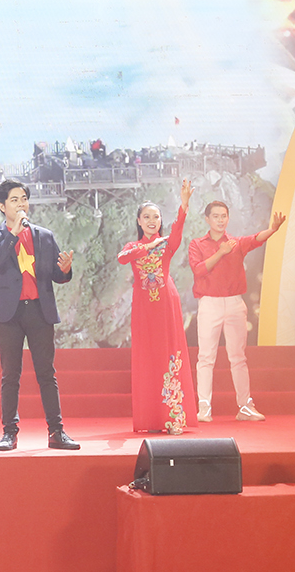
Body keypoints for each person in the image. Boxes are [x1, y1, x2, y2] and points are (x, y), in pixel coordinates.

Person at [0, 179, 81, 452]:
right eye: (14, 200)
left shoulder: (44, 236)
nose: (21, 204)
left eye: (24, 198)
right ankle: (9, 433)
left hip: (39, 310)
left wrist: (65, 270)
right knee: (10, 375)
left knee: (47, 373)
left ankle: (56, 432)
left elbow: (57, 276)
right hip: (9, 315)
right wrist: (13, 234)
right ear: (2, 206)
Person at [187, 202, 286, 423]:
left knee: (238, 357)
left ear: (228, 218)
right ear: (207, 219)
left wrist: (273, 229)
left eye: (224, 216)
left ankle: (245, 406)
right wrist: (221, 252)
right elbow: (198, 270)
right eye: (216, 216)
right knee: (206, 357)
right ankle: (204, 407)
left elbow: (255, 239)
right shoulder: (197, 244)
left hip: (234, 303)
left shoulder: (236, 243)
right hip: (209, 303)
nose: (220, 220)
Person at [117, 179, 196, 435]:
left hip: (166, 304)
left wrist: (184, 204)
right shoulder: (133, 247)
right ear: (139, 221)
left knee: (169, 353)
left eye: (156, 217)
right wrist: (147, 246)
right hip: (143, 308)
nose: (152, 221)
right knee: (147, 357)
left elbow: (178, 229)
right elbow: (122, 258)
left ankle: (174, 418)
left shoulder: (167, 244)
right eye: (147, 217)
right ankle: (152, 419)